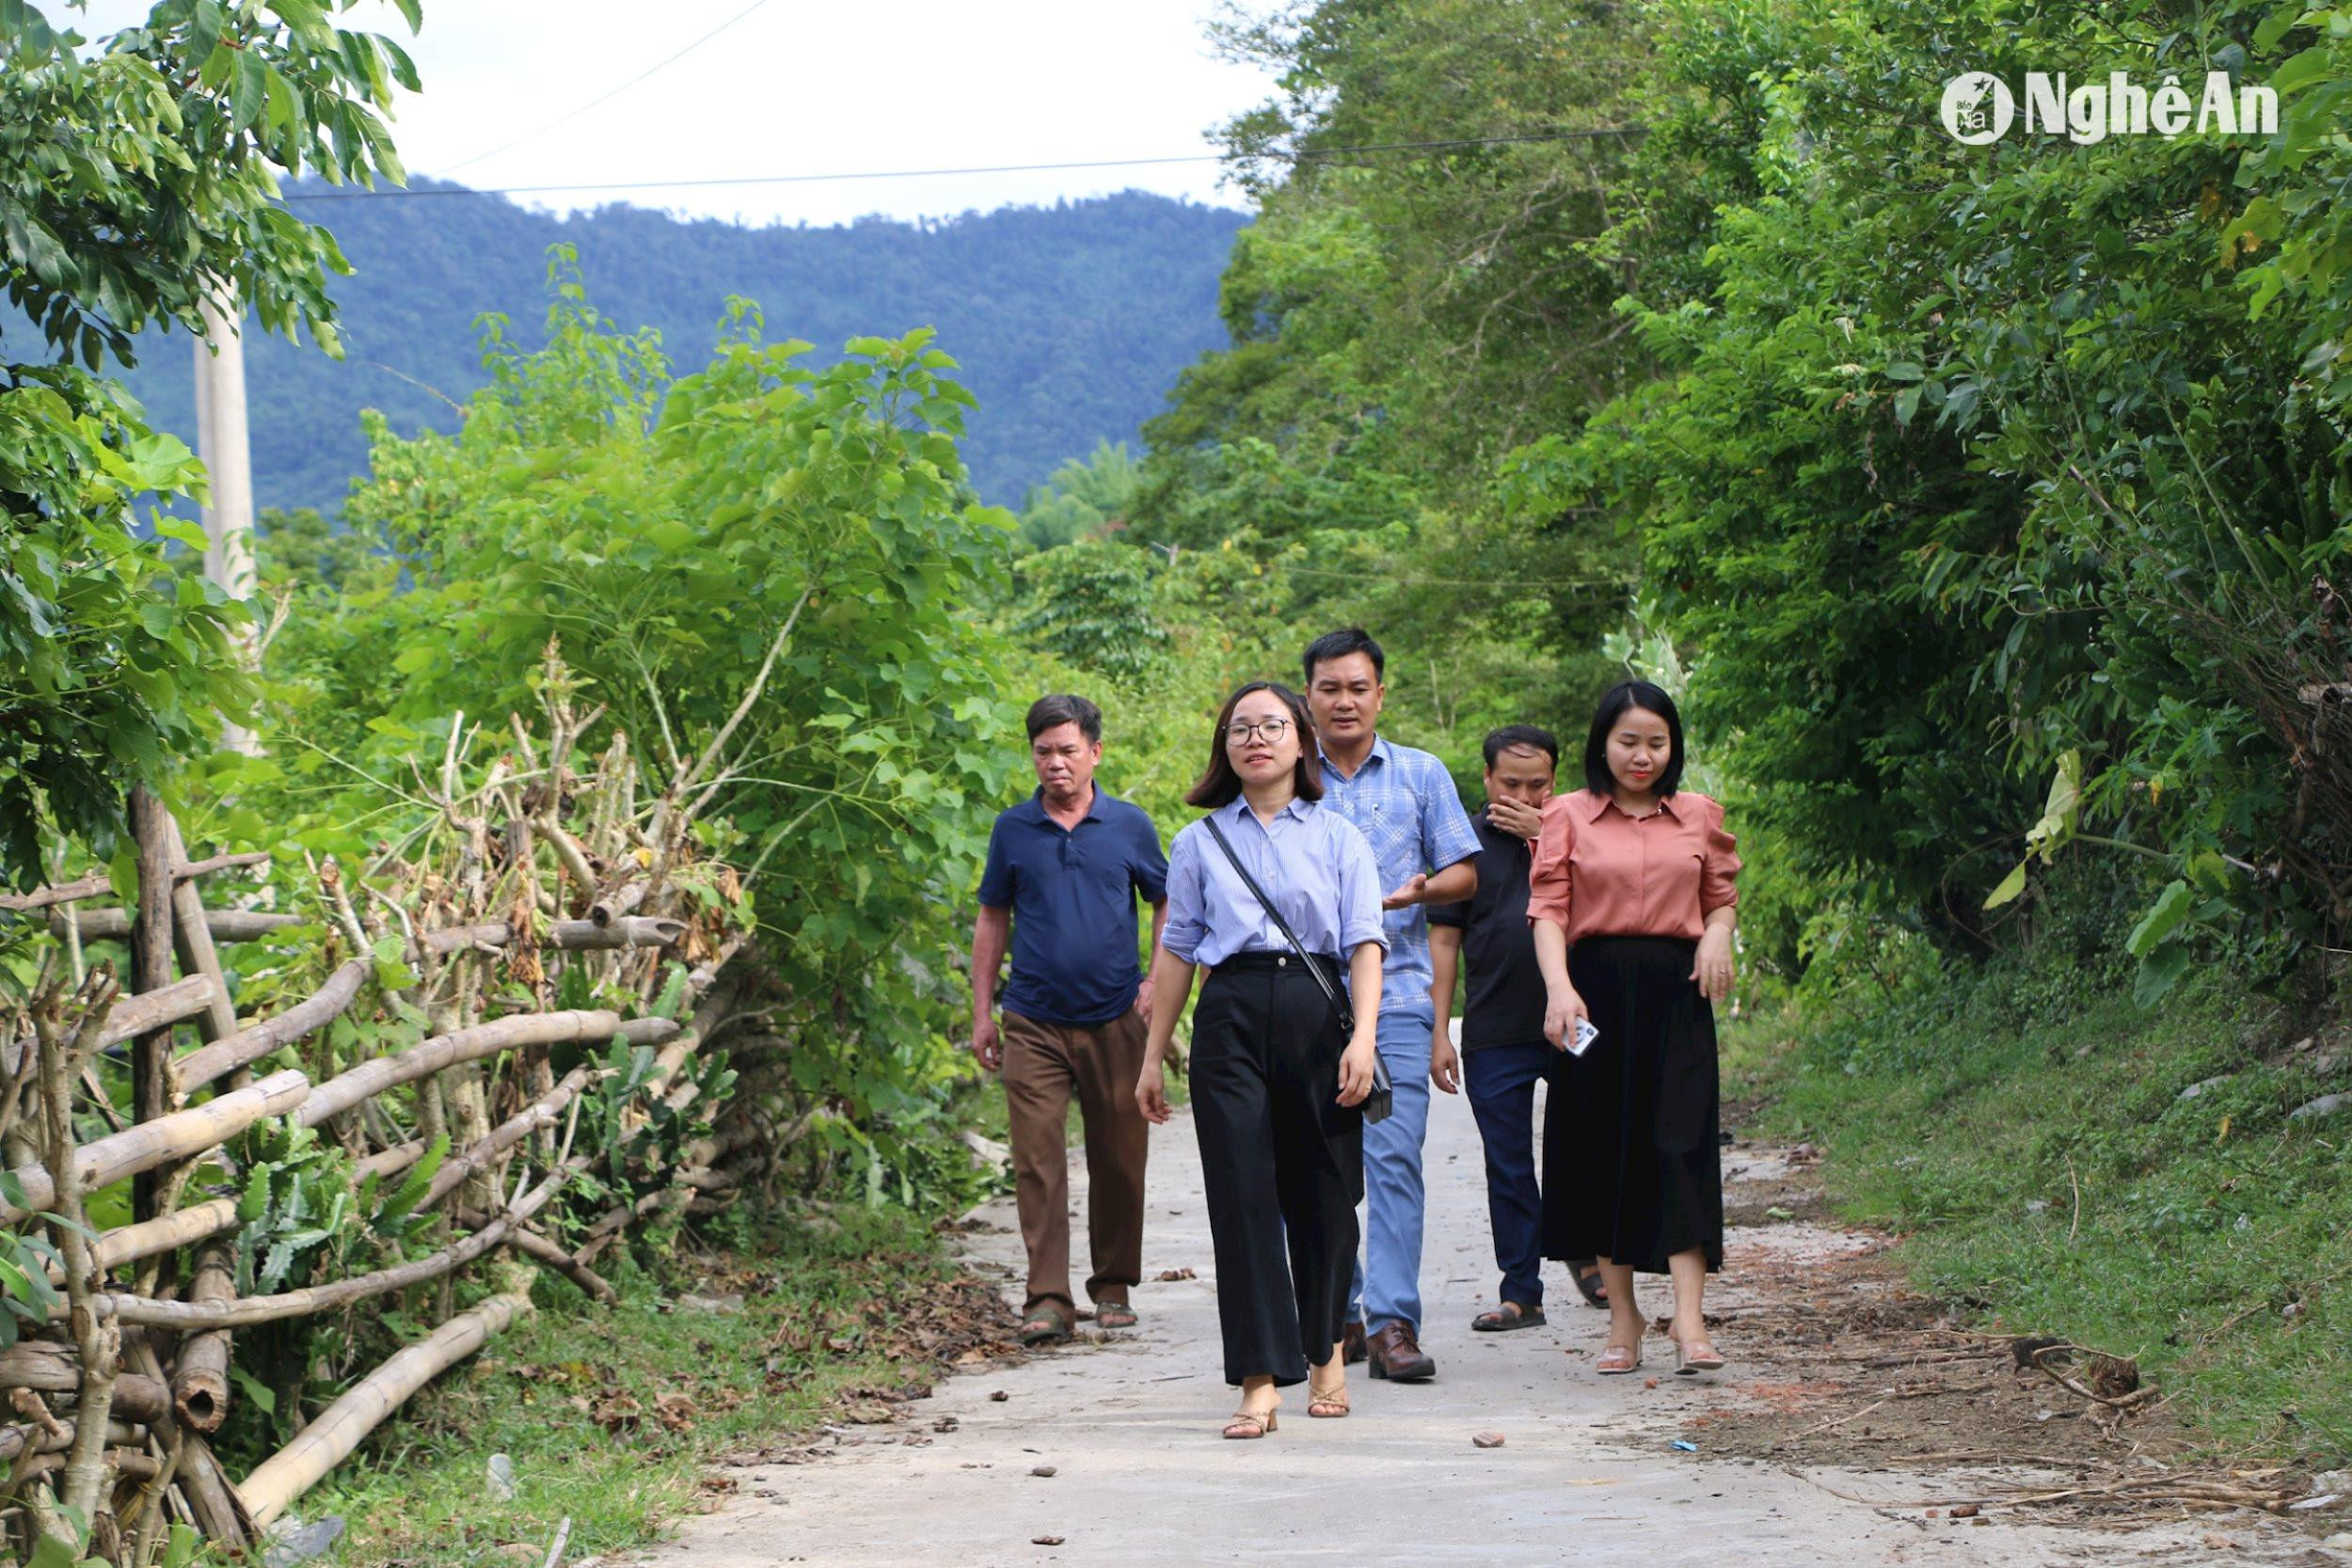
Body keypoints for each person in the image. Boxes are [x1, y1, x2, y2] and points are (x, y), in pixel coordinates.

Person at [1136, 681, 1386, 1439]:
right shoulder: (1198, 842)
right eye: (1240, 728)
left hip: (1318, 1015)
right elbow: (1178, 955)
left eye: (1272, 725)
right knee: (1242, 1199)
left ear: (1300, 740)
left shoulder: (1339, 836)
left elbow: (1365, 943)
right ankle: (1257, 1380)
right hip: (1231, 1016)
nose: (1256, 738)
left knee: (1326, 1199)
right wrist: (1154, 1057)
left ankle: (1324, 1353)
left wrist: (1364, 1037)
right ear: (1225, 746)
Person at [1529, 680, 1741, 1377]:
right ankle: (1623, 1318)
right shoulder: (1566, 815)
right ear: (1602, 745)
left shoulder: (1699, 815)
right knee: (1603, 1150)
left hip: (1677, 995)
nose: (1642, 755)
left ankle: (1688, 1316)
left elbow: (1721, 900)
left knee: (1678, 1144)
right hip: (1593, 999)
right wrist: (1560, 989)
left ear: (1672, 745)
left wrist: (1716, 937)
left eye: (1656, 741)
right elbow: (1550, 910)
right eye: (1628, 741)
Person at [1303, 628, 1480, 1384]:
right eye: (1329, 688)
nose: (1344, 700)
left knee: (1394, 1157)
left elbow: (1466, 871)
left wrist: (1422, 889)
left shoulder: (1420, 773)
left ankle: (1392, 1322)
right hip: (1303, 998)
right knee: (1316, 1165)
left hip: (1402, 994)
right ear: (1306, 693)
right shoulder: (1286, 773)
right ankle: (1335, 1315)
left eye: (1358, 687)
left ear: (1381, 692)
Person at [973, 695, 1169, 1347]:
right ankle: (1048, 1298)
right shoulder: (1013, 828)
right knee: (1037, 1159)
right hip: (1033, 1019)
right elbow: (993, 916)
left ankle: (1112, 1286)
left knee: (1119, 1156)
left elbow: (1167, 901)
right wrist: (982, 1011)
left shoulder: (1129, 825)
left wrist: (1154, 981)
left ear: (1095, 752)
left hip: (1117, 1014)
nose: (1055, 763)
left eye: (1067, 750)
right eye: (1043, 751)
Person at [1428, 725, 1608, 1332]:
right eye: (1511, 783)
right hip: (1494, 1028)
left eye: (1538, 785)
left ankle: (1586, 1256)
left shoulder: (1582, 832)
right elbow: (1444, 941)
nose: (1525, 796)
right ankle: (1521, 1291)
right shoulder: (1465, 845)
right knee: (1507, 1163)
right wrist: (1438, 1033)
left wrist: (1547, 838)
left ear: (1555, 782)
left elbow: (1607, 904)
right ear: (1486, 780)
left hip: (1572, 1021)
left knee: (1581, 1147)